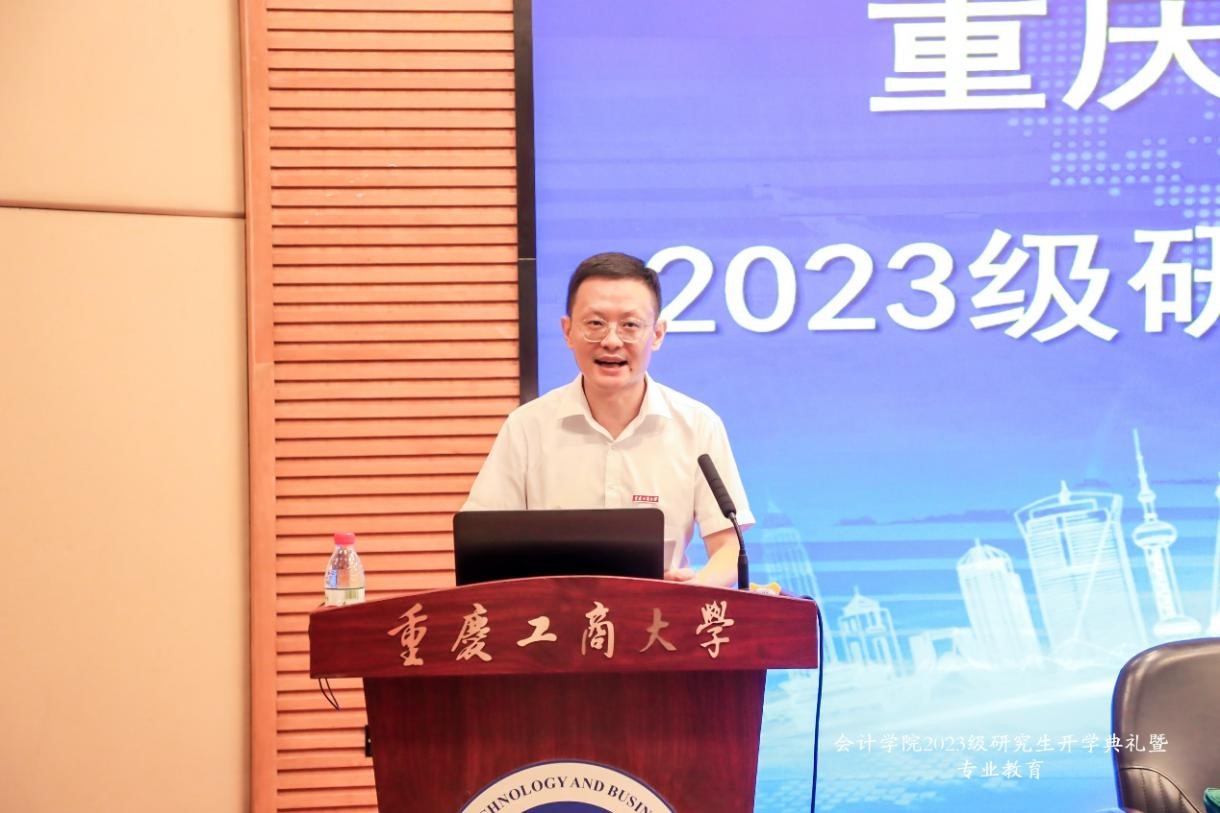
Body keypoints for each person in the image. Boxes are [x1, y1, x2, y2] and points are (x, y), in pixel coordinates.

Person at [461, 251, 754, 587]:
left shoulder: (698, 425)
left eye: (630, 325)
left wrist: (691, 594)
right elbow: (483, 547)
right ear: (568, 331)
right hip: (551, 616)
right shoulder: (527, 428)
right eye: (595, 324)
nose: (611, 341)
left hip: (660, 616)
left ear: (657, 334)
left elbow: (729, 547)